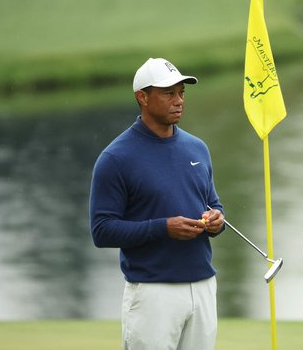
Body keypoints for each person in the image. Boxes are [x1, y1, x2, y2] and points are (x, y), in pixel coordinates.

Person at [89, 57, 225, 350]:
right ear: (143, 98)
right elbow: (102, 231)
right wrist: (163, 228)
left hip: (202, 287)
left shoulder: (197, 147)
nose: (178, 101)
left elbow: (214, 204)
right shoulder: (115, 158)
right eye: (168, 93)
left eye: (181, 93)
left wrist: (217, 221)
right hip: (152, 293)